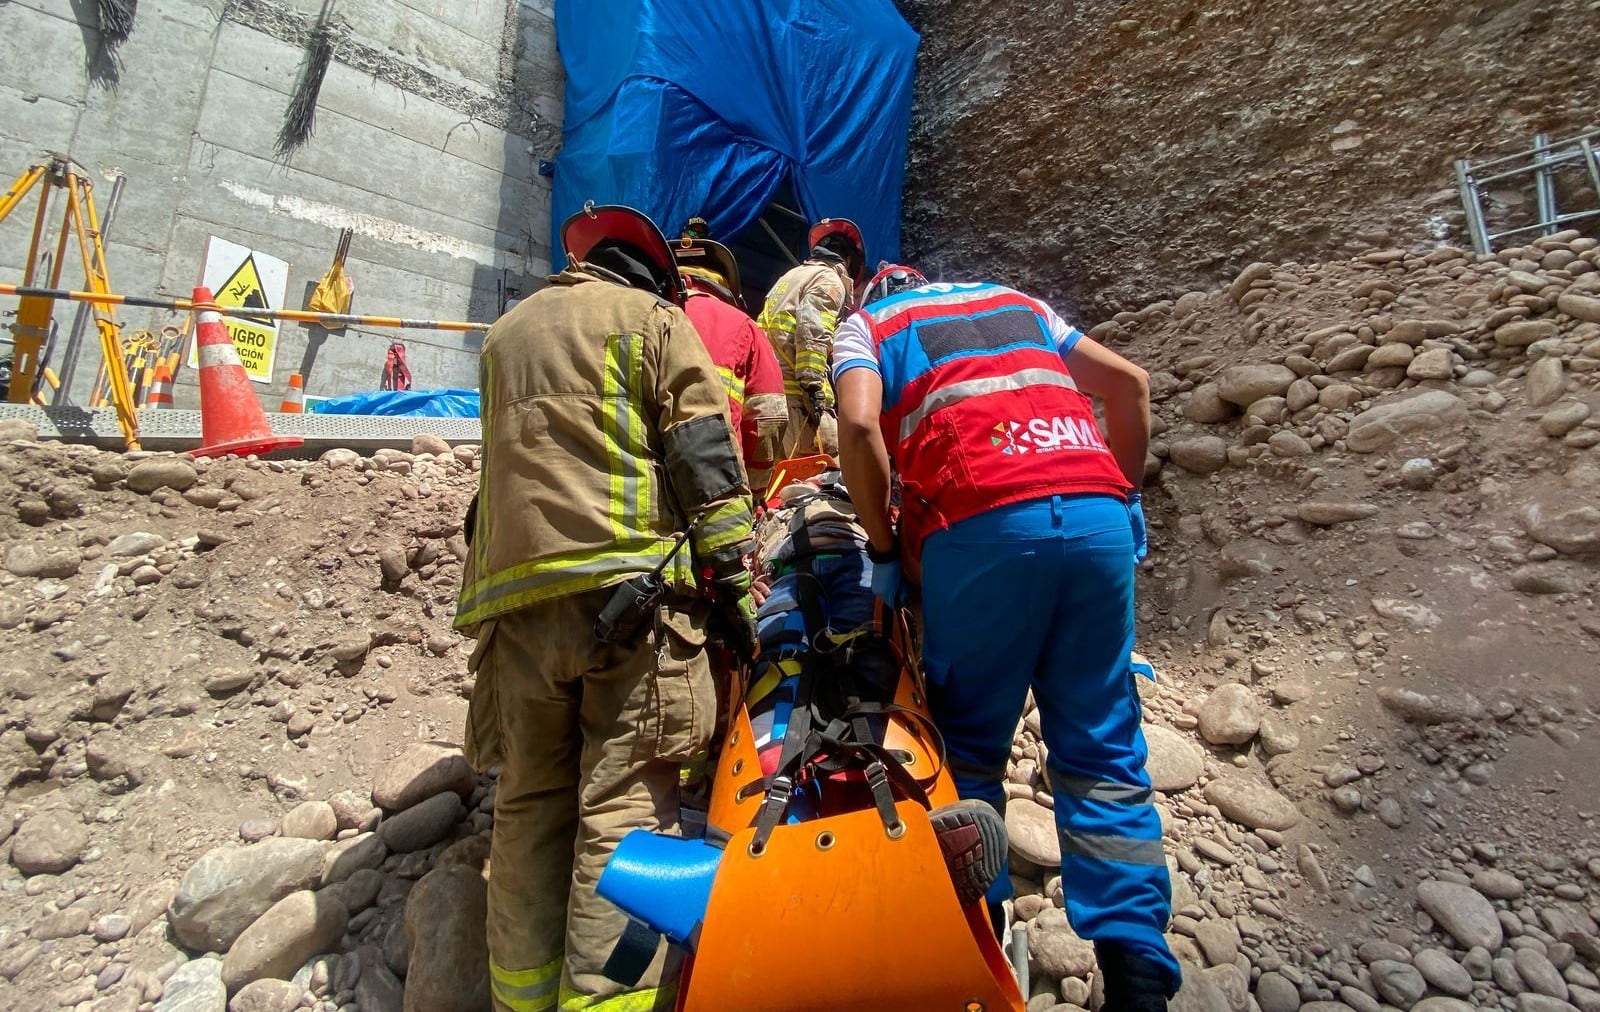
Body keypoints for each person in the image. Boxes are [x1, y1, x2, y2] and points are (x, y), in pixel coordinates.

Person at [831, 265, 1178, 1010]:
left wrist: (886, 551)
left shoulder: (869, 328)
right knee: (1103, 747)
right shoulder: (1018, 304)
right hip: (1097, 522)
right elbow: (1131, 388)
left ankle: (976, 952)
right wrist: (1128, 496)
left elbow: (859, 427)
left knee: (970, 754)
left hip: (982, 529)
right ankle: (1139, 973)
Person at [455, 203, 759, 1012]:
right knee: (621, 804)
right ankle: (605, 1002)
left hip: (514, 613)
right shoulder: (654, 321)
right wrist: (733, 596)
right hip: (632, 608)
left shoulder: (505, 334)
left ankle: (518, 999)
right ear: (658, 275)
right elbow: (705, 465)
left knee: (528, 800)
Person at [673, 225, 788, 496]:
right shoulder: (744, 327)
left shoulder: (638, 317)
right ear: (723, 282)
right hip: (715, 489)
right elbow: (767, 418)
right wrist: (755, 491)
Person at [756, 218, 867, 460]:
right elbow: (812, 328)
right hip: (798, 402)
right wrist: (813, 385)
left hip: (770, 394)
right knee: (836, 464)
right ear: (848, 260)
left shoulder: (791, 277)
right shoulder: (829, 280)